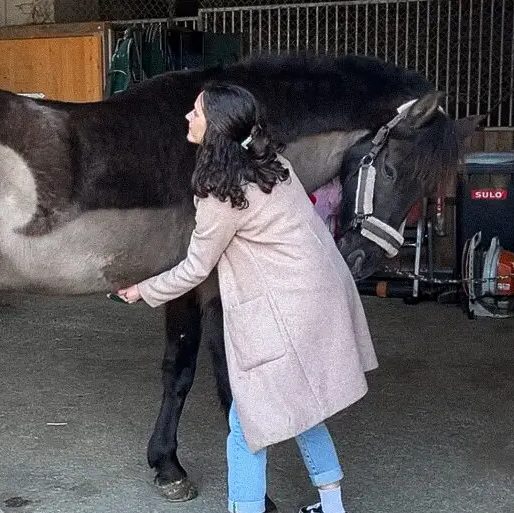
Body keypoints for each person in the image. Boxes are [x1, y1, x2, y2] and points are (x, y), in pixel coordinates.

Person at [115, 83, 378, 513]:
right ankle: (333, 507)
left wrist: (142, 289)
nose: (187, 117)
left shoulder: (223, 193)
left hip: (286, 313)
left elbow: (196, 268)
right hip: (319, 298)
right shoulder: (274, 166)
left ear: (215, 127)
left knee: (246, 425)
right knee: (305, 408)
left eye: (196, 112)